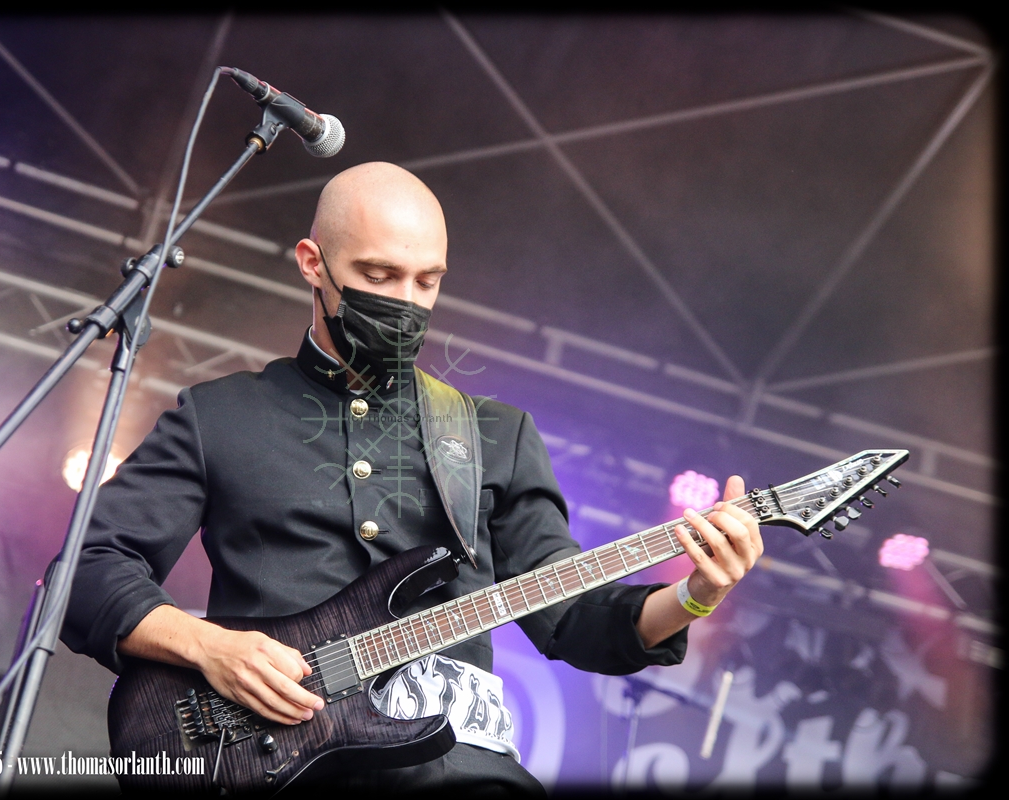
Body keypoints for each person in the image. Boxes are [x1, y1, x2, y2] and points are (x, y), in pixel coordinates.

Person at [61, 162, 764, 794]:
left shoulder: (494, 435)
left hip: (462, 775)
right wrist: (210, 647)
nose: (406, 300)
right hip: (271, 767)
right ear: (312, 263)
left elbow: (575, 620)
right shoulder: (221, 417)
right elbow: (85, 569)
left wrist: (695, 595)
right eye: (378, 276)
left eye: (427, 282)